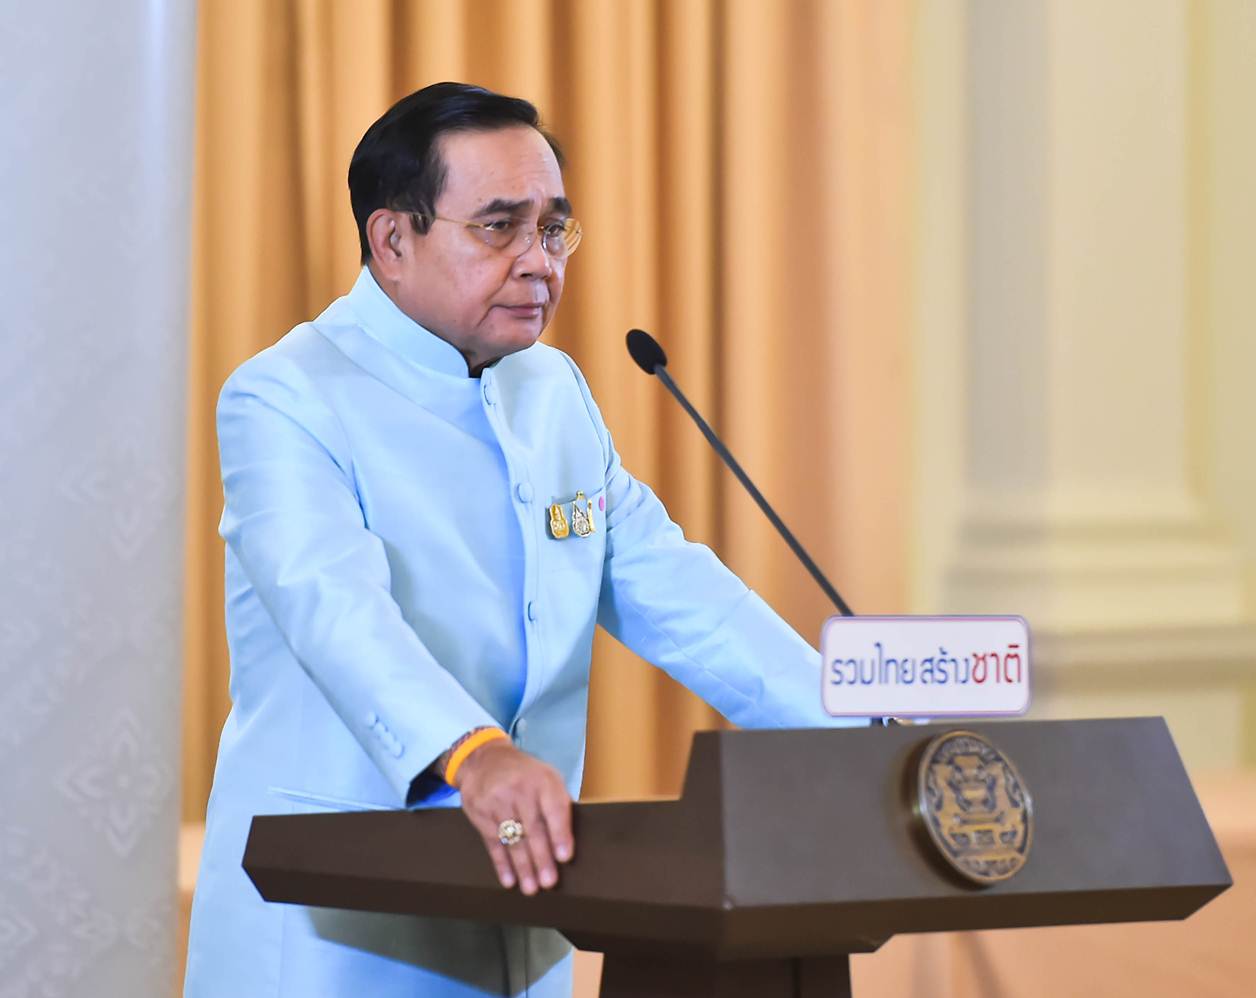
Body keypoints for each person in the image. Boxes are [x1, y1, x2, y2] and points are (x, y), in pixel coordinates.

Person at [183, 82, 847, 998]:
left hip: (522, 893)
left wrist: (865, 736)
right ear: (392, 240)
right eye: (501, 228)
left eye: (553, 228)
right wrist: (473, 752)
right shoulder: (288, 395)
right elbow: (336, 612)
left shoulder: (553, 389)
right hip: (333, 917)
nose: (539, 262)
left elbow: (678, 595)